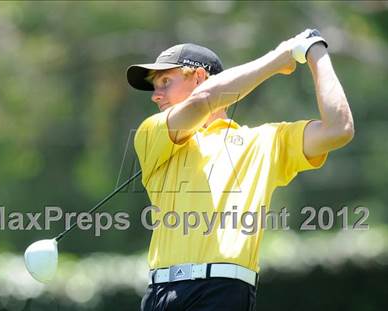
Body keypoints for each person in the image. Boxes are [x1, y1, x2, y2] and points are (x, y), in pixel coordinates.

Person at [126, 29, 354, 310]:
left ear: (198, 77)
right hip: (161, 294)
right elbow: (203, 100)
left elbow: (338, 129)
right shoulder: (151, 134)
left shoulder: (264, 141)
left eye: (164, 82)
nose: (155, 96)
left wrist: (315, 50)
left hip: (224, 293)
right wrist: (279, 58)